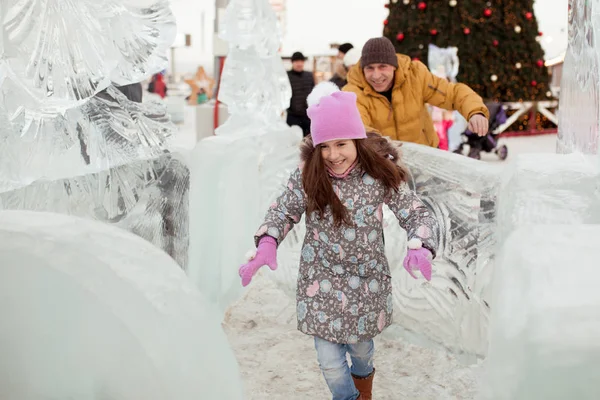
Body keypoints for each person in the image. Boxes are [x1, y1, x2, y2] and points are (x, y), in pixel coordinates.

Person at [238, 82, 440, 400]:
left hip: (366, 282)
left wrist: (422, 245)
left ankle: (364, 389)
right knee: (330, 363)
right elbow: (282, 212)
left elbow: (416, 213)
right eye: (325, 146)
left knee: (361, 353)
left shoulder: (379, 177)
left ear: (357, 141)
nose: (333, 155)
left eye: (342, 144)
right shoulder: (307, 177)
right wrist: (267, 242)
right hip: (321, 280)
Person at [343, 37, 489, 148]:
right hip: (385, 166)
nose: (376, 75)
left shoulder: (415, 76)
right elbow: (361, 130)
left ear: (394, 66)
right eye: (370, 68)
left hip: (426, 160)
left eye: (382, 66)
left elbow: (452, 93)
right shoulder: (353, 93)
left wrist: (475, 111)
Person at [287, 51, 315, 136]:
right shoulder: (287, 76)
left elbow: (314, 93)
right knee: (294, 142)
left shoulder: (309, 75)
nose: (299, 64)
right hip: (293, 116)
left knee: (309, 143)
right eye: (296, 61)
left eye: (301, 61)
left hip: (307, 116)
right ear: (292, 62)